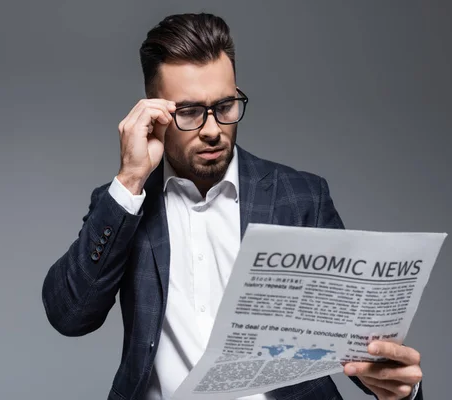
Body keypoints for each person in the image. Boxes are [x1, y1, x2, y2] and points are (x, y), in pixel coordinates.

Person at [42, 12, 423, 400]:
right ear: (155, 114)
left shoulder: (299, 198)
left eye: (225, 105)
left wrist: (399, 386)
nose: (212, 129)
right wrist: (129, 181)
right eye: (189, 112)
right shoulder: (126, 203)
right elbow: (69, 315)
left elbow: (359, 348)